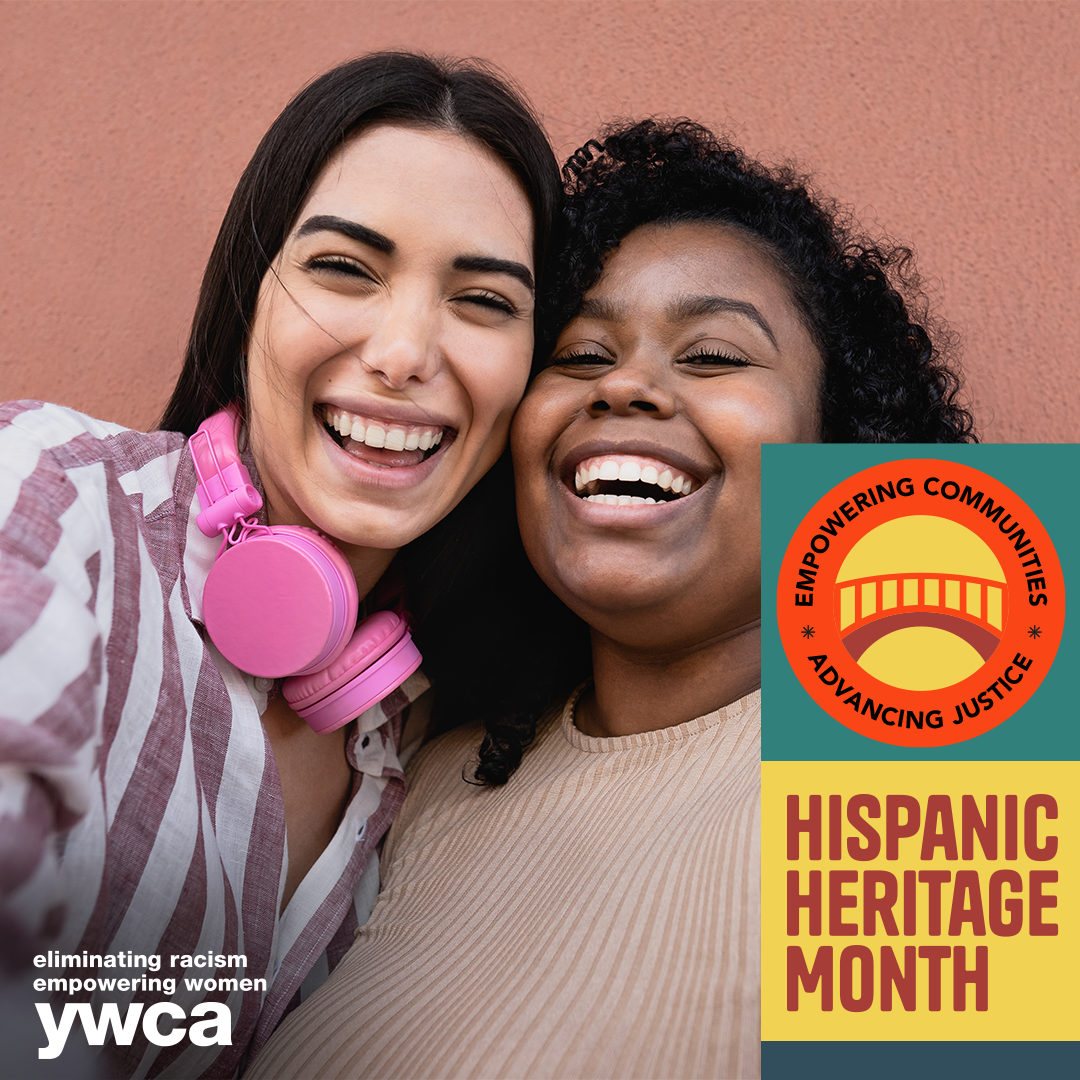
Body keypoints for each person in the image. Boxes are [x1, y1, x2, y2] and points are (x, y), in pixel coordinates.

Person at [244, 119, 975, 1080]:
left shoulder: (944, 745)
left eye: (713, 356)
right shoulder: (425, 775)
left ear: (840, 449)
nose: (626, 385)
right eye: (581, 357)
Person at [0, 51, 559, 1079]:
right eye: (345, 269)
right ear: (248, 297)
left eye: (483, 299)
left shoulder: (424, 737)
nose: (402, 353)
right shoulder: (46, 494)